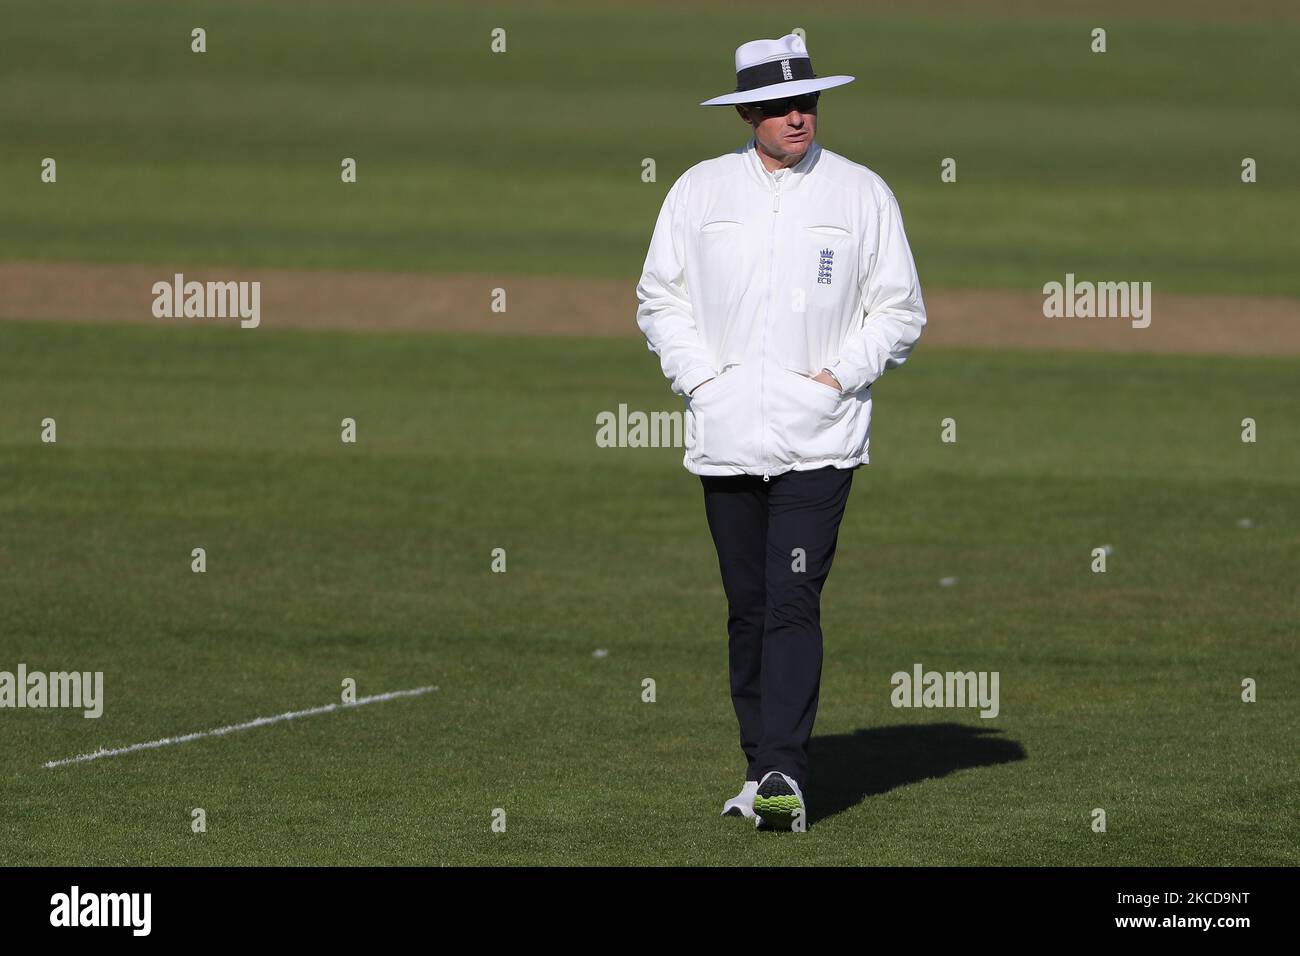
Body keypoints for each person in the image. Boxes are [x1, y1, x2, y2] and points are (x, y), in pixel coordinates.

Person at [635, 33, 927, 830]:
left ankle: (784, 776)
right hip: (725, 435)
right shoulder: (698, 193)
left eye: (809, 102)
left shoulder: (861, 193)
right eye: (780, 106)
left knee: (793, 599)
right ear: (748, 114)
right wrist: (702, 380)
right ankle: (758, 764)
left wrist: (836, 377)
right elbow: (660, 299)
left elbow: (900, 310)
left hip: (819, 437)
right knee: (748, 606)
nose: (799, 117)